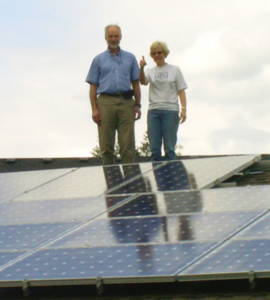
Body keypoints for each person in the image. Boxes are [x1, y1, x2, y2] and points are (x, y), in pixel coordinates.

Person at [86, 24, 141, 165]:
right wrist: (94, 109)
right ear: (106, 38)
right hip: (105, 102)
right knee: (106, 147)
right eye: (110, 36)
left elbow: (136, 83)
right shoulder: (98, 60)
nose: (113, 39)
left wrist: (137, 105)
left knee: (127, 146)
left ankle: (130, 182)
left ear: (121, 37)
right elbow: (93, 86)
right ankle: (112, 182)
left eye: (116, 36)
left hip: (126, 102)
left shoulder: (130, 58)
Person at [139, 41, 187, 161]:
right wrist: (141, 68)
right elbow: (143, 81)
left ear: (165, 53)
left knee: (169, 148)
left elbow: (181, 90)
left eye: (159, 52)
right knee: (155, 149)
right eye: (154, 53)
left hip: (170, 110)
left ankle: (172, 177)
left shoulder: (175, 70)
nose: (157, 55)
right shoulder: (150, 71)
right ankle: (158, 176)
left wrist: (184, 109)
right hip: (154, 111)